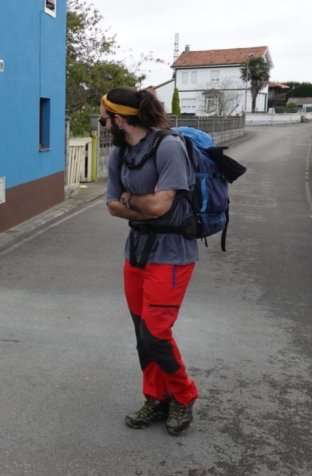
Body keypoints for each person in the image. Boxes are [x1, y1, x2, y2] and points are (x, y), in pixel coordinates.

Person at [101, 87, 198, 436]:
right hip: (137, 252)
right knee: (143, 335)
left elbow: (160, 206)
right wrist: (140, 204)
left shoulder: (169, 147)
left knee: (156, 334)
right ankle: (156, 397)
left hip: (172, 254)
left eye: (105, 119)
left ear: (120, 119)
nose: (103, 124)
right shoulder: (120, 153)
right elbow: (112, 205)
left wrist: (132, 201)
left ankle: (183, 395)